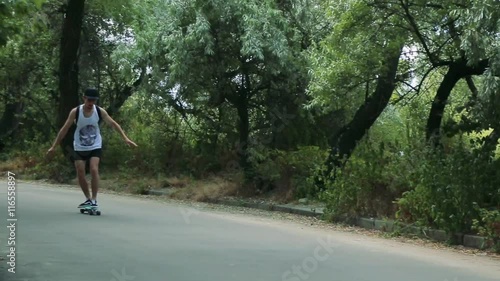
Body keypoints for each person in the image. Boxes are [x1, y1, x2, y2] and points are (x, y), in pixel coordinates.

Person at [47, 88, 137, 209]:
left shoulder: (99, 111)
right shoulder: (76, 112)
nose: (91, 103)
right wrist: (53, 146)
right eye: (89, 100)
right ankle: (88, 199)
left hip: (95, 145)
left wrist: (125, 138)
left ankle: (94, 200)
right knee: (80, 171)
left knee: (94, 169)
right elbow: (64, 129)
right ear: (84, 98)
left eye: (93, 100)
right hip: (79, 146)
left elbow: (114, 124)